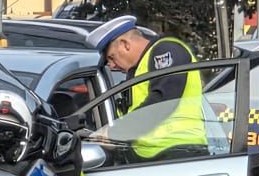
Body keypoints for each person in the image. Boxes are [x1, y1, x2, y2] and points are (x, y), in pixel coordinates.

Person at [86, 15, 206, 160]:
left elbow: (162, 102)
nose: (111, 66)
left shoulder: (166, 50)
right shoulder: (139, 70)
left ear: (125, 44)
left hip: (178, 154)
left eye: (111, 57)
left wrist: (115, 133)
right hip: (156, 158)